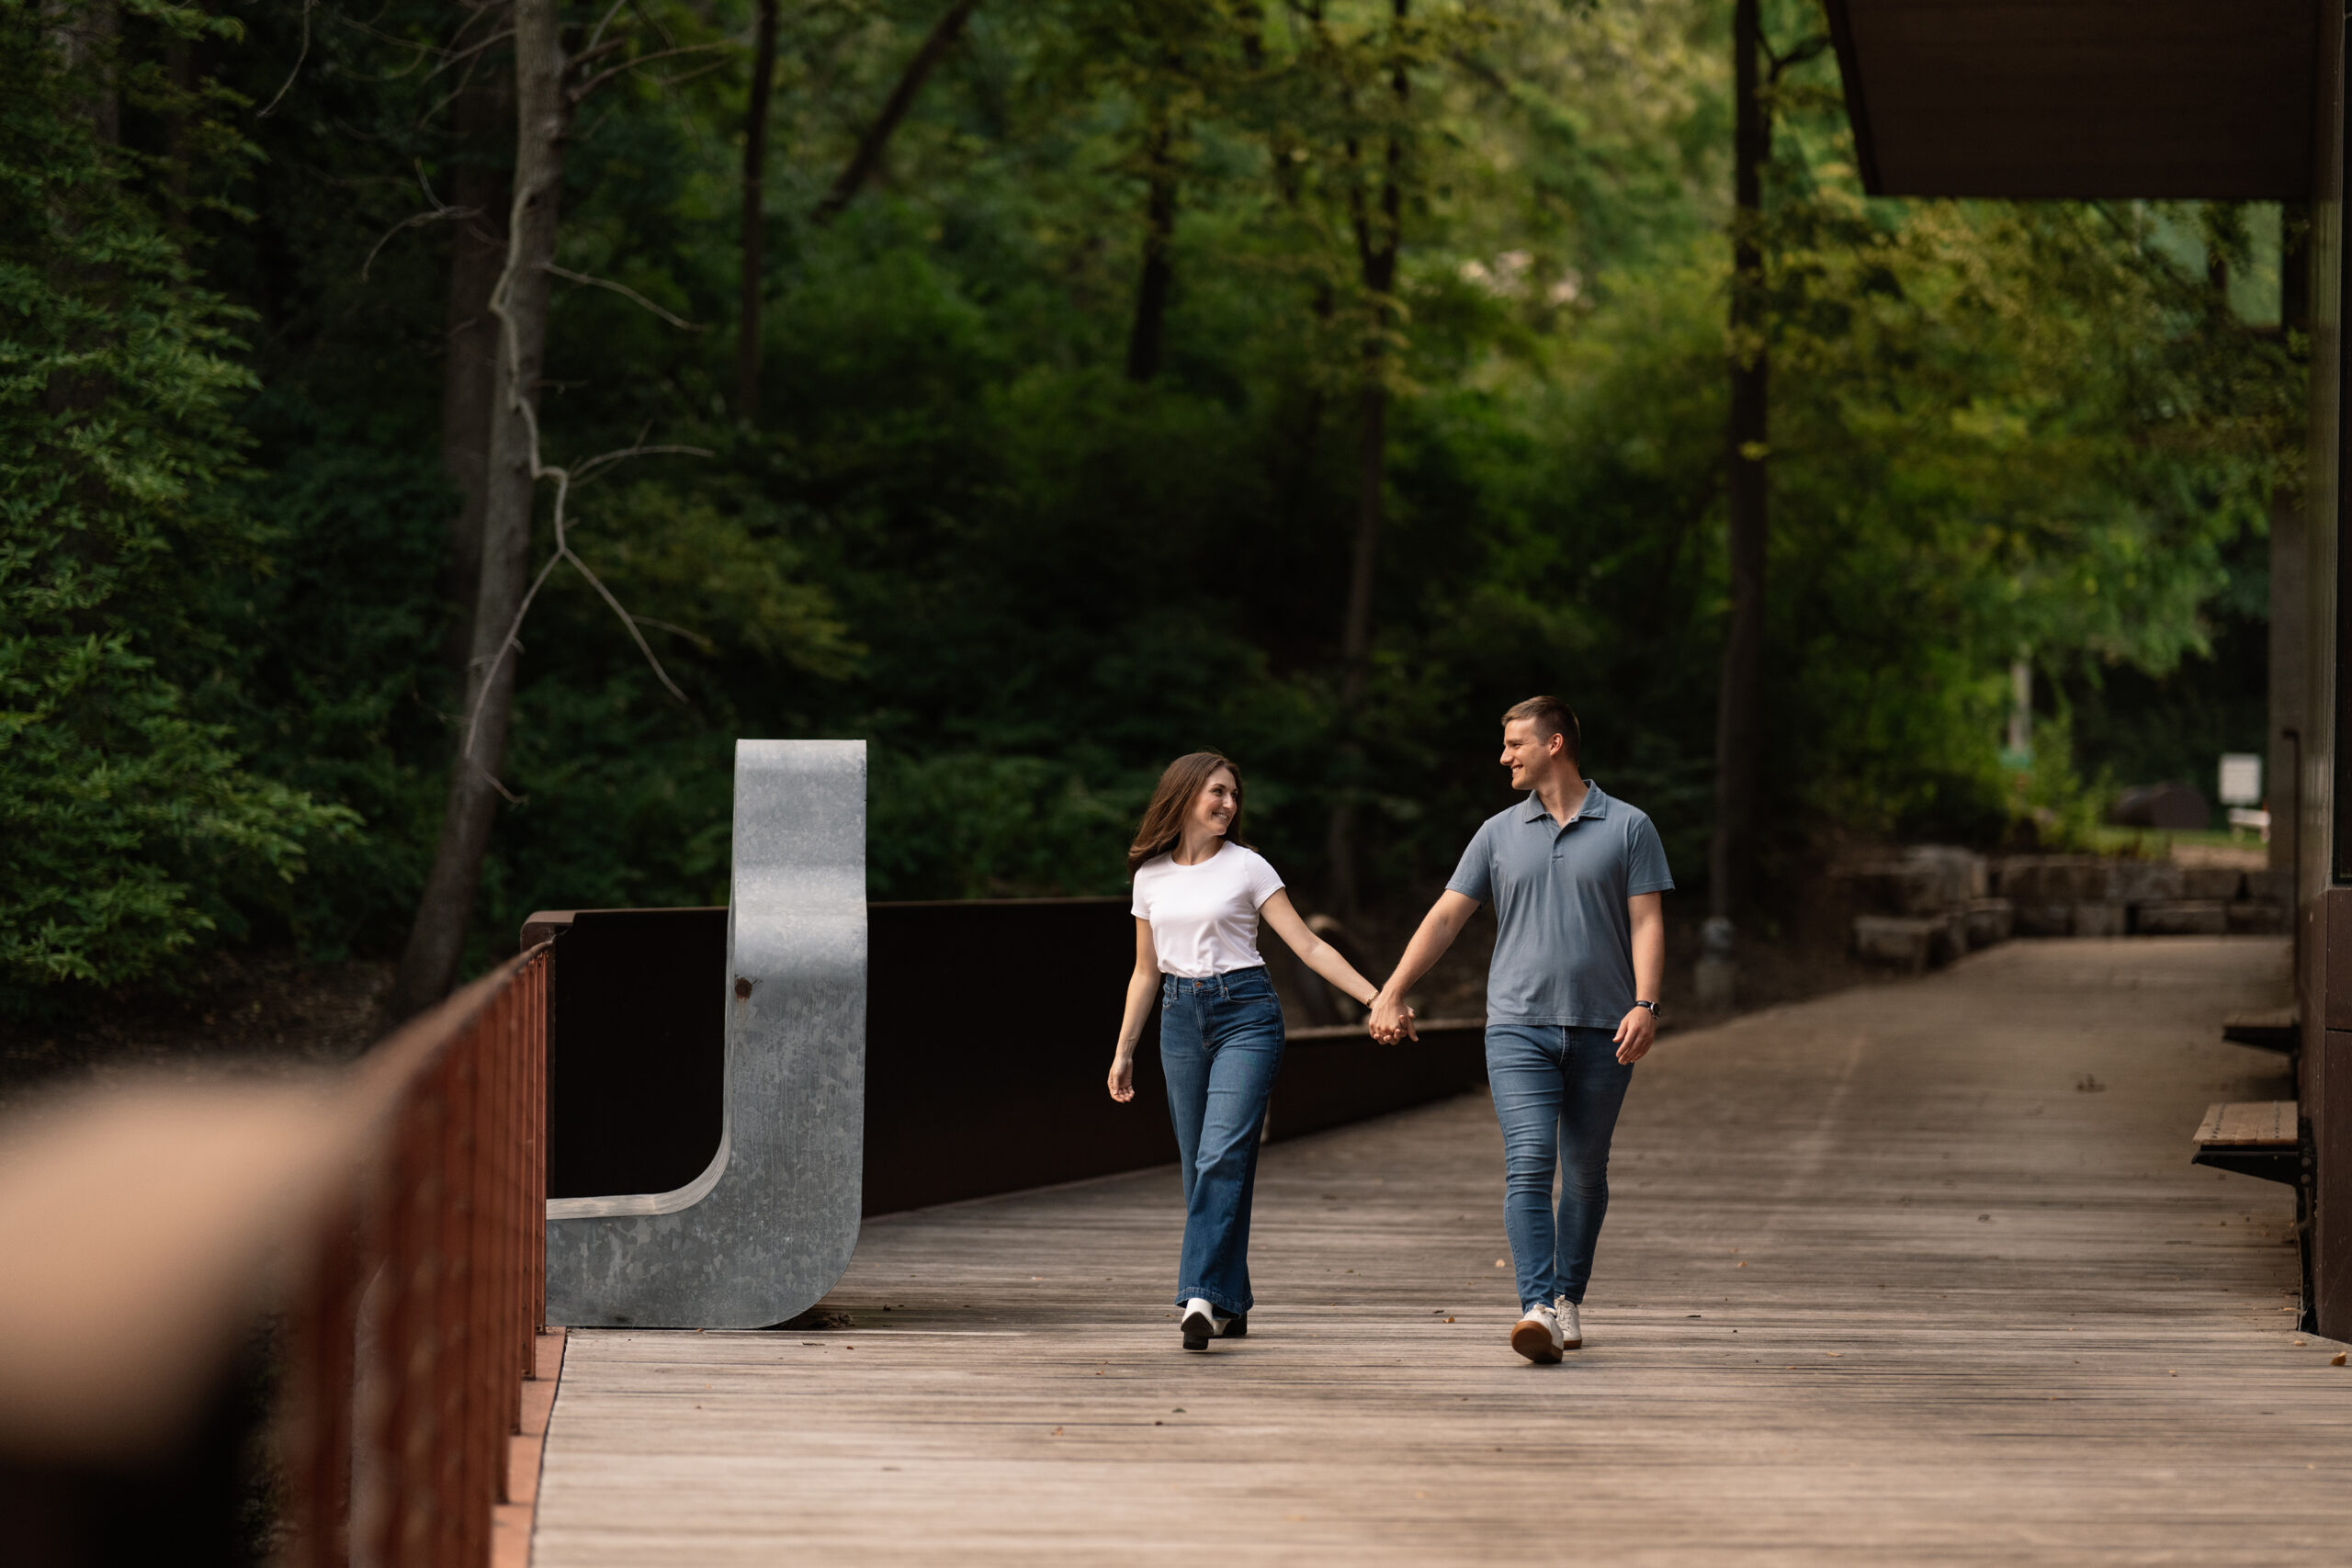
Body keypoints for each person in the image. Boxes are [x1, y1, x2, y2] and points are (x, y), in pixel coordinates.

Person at [1369, 697, 1671, 1364]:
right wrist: (1392, 987)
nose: (1504, 756)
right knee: (1531, 1160)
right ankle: (1536, 1305)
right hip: (1517, 1026)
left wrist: (1646, 1003)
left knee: (1586, 1172)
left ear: (1555, 743)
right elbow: (1447, 917)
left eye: (1514, 744)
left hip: (1604, 1027)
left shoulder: (1628, 826)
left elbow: (1647, 921)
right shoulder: (1497, 833)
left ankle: (1568, 1296)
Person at [1108, 751, 1385, 1351]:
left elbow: (1309, 946)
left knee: (1221, 1157)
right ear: (1183, 796)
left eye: (1234, 794)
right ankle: (1230, 1302)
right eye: (1216, 792)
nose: (1228, 804)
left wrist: (1375, 997)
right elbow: (1144, 971)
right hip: (1179, 1019)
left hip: (1247, 1015)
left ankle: (1199, 1298)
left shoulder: (1249, 866)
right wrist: (1124, 1047)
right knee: (1197, 1165)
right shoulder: (1149, 876)